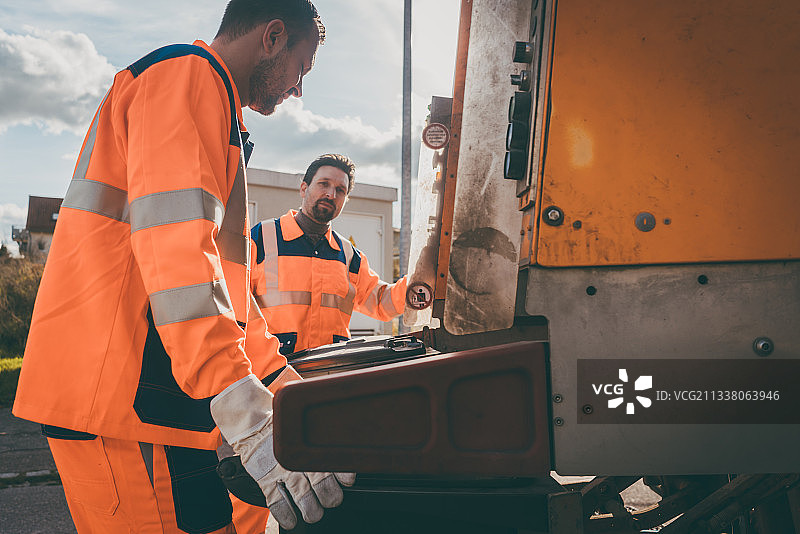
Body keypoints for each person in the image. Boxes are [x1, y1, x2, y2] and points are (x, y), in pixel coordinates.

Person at [12, 1, 352, 533]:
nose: (298, 89)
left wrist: (284, 390)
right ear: (272, 37)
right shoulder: (186, 79)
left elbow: (227, 293)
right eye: (301, 68)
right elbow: (180, 260)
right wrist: (244, 410)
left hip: (153, 403)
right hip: (125, 401)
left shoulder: (209, 102)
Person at [234, 154, 407, 533]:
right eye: (324, 184)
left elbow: (381, 301)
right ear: (304, 188)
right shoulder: (260, 239)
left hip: (326, 393)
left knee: (322, 491)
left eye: (340, 189)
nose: (331, 193)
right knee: (256, 492)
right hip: (268, 389)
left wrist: (417, 286)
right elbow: (234, 305)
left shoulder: (348, 255)